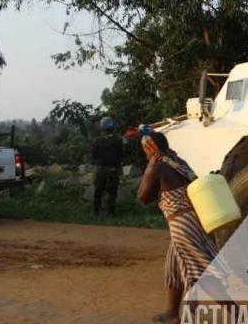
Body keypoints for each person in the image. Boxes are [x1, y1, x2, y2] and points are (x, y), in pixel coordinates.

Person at [137, 131, 225, 324]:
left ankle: (237, 315)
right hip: (196, 220)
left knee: (200, 271)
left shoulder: (158, 167)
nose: (144, 153)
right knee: (174, 267)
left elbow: (143, 197)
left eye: (146, 149)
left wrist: (150, 164)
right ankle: (172, 313)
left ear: (150, 148)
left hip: (181, 225)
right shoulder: (178, 162)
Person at [91, 117, 123, 216]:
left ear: (102, 128)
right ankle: (111, 213)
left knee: (98, 190)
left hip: (101, 169)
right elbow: (121, 154)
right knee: (112, 192)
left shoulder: (97, 140)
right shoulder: (118, 140)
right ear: (113, 127)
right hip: (114, 168)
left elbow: (94, 156)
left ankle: (96, 212)